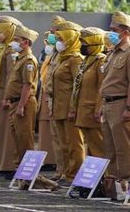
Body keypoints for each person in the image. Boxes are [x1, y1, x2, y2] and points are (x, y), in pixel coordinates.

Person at [100, 12, 130, 195]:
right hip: (108, 104)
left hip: (121, 104)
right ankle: (114, 184)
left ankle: (129, 182)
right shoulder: (112, 52)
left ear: (125, 32)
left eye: (114, 30)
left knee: (124, 147)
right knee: (110, 147)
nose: (110, 33)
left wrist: (129, 107)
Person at [52, 20, 85, 184]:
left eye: (61, 38)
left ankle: (75, 173)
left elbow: (78, 85)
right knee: (63, 143)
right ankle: (66, 171)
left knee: (74, 143)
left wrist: (73, 107)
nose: (59, 42)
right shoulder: (61, 57)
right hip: (58, 106)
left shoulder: (75, 59)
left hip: (69, 107)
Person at [0, 16, 21, 176]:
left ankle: (7, 165)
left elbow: (11, 76)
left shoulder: (11, 50)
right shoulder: (1, 47)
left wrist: (7, 97)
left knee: (6, 133)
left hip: (5, 98)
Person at [2, 25, 39, 165]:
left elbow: (27, 85)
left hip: (24, 102)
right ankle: (20, 169)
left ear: (26, 42)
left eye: (17, 40)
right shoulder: (20, 58)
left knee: (24, 139)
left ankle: (28, 170)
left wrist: (21, 106)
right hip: (15, 102)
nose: (14, 43)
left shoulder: (28, 60)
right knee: (17, 138)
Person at [69, 27, 106, 158]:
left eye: (85, 43)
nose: (82, 46)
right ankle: (95, 176)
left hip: (92, 111)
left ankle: (104, 175)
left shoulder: (100, 61)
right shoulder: (87, 60)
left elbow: (102, 86)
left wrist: (98, 109)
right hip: (84, 110)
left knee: (98, 146)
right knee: (91, 146)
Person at [44, 15, 67, 180]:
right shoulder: (55, 54)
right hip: (54, 101)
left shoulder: (71, 58)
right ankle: (61, 171)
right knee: (58, 140)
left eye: (56, 33)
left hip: (65, 103)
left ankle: (70, 173)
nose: (53, 36)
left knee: (69, 142)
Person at [37, 31, 56, 169]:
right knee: (44, 130)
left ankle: (53, 161)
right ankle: (47, 159)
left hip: (55, 99)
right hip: (45, 95)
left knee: (53, 132)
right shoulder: (48, 54)